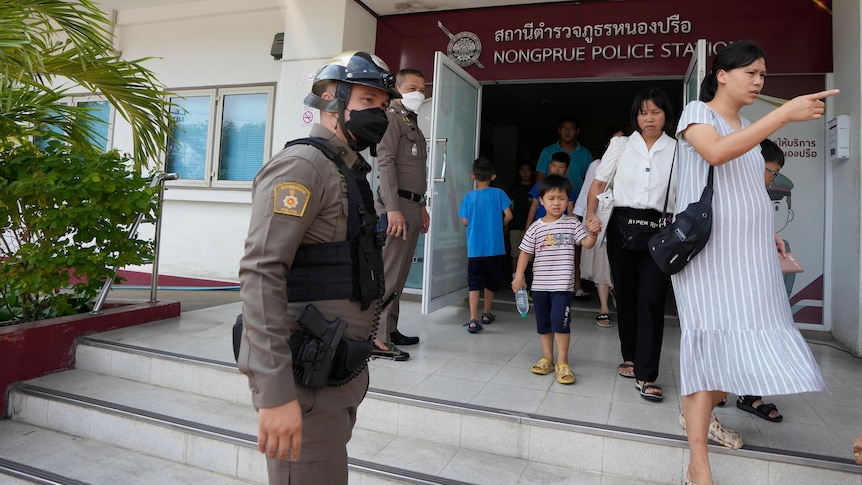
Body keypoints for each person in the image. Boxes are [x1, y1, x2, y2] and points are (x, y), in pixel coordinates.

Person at [672, 40, 834, 485]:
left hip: (749, 258)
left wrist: (771, 236)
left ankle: (696, 417)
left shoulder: (746, 124)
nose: (759, 82)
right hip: (708, 258)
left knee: (738, 349)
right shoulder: (696, 114)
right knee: (708, 347)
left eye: (764, 75)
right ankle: (697, 464)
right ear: (722, 74)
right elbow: (717, 153)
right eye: (751, 73)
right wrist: (783, 114)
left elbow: (749, 193)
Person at [236, 51, 400, 485]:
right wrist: (275, 395)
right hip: (302, 382)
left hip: (335, 374)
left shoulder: (346, 170)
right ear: (332, 100)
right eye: (368, 100)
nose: (379, 114)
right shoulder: (303, 166)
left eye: (384, 105)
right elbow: (261, 273)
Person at [585, 87, 677, 403]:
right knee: (625, 294)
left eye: (655, 111)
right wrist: (592, 215)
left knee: (651, 299)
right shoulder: (621, 145)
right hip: (622, 225)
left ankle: (647, 374)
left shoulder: (678, 150)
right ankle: (630, 355)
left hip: (659, 229)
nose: (648, 118)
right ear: (635, 116)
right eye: (642, 112)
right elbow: (600, 183)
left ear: (666, 114)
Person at [513, 175, 599, 384]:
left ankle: (562, 362)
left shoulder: (572, 224)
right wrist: (519, 277)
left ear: (568, 200)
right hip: (540, 286)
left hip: (562, 286)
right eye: (551, 198)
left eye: (561, 198)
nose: (556, 203)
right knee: (543, 323)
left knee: (560, 322)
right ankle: (547, 358)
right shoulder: (535, 227)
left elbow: (586, 243)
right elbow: (525, 252)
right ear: (541, 201)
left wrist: (594, 233)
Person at [372, 67, 429, 361]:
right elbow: (386, 164)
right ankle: (376, 337)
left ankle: (390, 329)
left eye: (422, 88)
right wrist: (393, 209)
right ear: (398, 89)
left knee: (400, 275)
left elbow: (415, 170)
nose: (419, 93)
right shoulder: (391, 119)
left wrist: (421, 206)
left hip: (411, 205)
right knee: (389, 275)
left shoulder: (411, 121)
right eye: (413, 87)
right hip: (396, 207)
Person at [536, 114, 593, 300]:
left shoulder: (585, 154)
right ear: (559, 130)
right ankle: (541, 286)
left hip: (575, 206)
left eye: (572, 128)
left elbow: (590, 182)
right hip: (550, 206)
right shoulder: (547, 151)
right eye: (564, 127)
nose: (567, 131)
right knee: (546, 247)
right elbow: (540, 179)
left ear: (577, 131)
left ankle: (575, 286)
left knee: (573, 247)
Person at [574, 125, 625, 328]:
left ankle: (617, 296)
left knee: (620, 263)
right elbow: (589, 190)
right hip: (601, 219)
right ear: (607, 145)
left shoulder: (634, 165)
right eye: (615, 141)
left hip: (624, 220)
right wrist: (578, 218)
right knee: (603, 263)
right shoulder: (597, 164)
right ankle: (604, 308)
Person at [458, 156, 513, 333]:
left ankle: (473, 319)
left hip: (475, 249)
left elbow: (465, 221)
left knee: (474, 282)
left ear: (472, 176)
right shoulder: (499, 194)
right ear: (493, 176)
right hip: (495, 247)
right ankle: (487, 313)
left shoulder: (469, 197)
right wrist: (498, 224)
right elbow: (509, 216)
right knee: (491, 281)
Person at [525, 151, 575, 226]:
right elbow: (533, 207)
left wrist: (571, 228)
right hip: (541, 225)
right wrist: (527, 227)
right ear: (549, 166)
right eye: (554, 165)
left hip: (561, 226)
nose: (557, 170)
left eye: (561, 167)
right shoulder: (540, 184)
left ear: (567, 170)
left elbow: (570, 209)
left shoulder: (569, 187)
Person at [507, 161, 535, 273]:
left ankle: (528, 278)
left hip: (532, 226)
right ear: (519, 172)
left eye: (527, 170)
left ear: (532, 172)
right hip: (515, 224)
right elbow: (509, 206)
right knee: (515, 252)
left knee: (530, 254)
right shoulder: (514, 188)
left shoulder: (535, 189)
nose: (525, 173)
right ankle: (515, 276)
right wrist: (507, 225)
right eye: (522, 170)